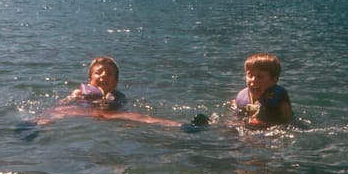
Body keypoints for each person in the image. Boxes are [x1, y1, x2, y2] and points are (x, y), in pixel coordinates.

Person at [16, 56, 206, 139]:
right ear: (90, 78)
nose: (103, 76)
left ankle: (183, 126)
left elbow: (122, 107)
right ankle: (33, 126)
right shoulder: (80, 92)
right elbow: (64, 103)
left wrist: (110, 101)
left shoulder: (116, 95)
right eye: (99, 72)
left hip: (109, 115)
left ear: (115, 82)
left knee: (139, 117)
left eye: (109, 74)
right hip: (83, 112)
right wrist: (71, 99)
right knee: (57, 111)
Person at [232, 53, 292, 128]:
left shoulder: (281, 103)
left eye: (260, 76)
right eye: (250, 75)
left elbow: (288, 124)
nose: (253, 80)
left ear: (274, 80)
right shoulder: (243, 96)